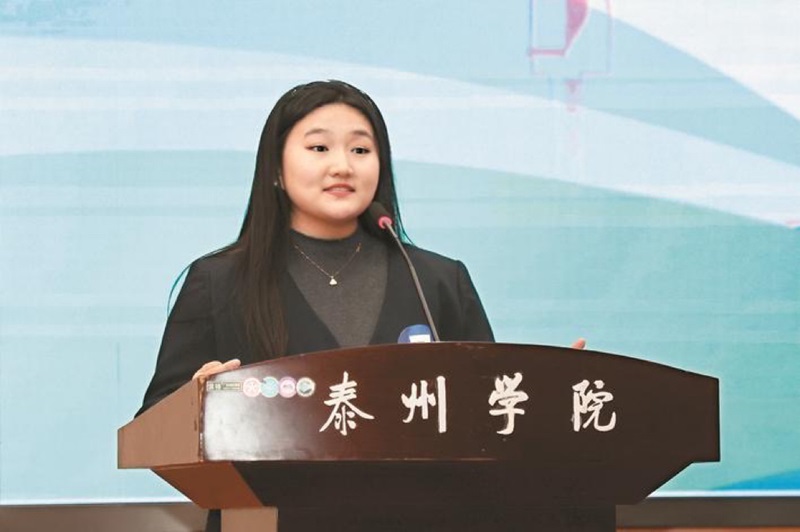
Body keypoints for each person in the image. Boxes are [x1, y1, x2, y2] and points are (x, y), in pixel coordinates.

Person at [137, 80, 496, 419]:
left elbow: (493, 405)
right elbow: (153, 425)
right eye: (319, 148)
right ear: (276, 169)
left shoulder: (436, 281)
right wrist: (194, 403)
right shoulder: (219, 282)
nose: (342, 167)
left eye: (360, 150)